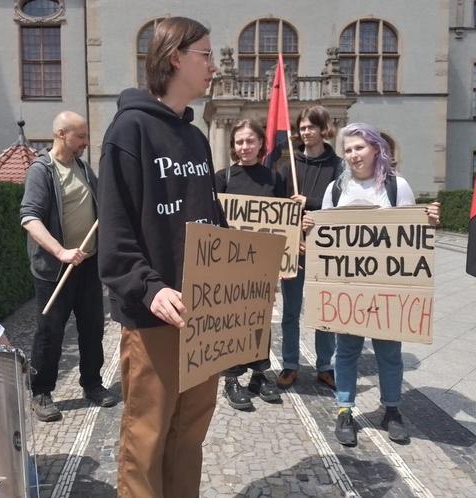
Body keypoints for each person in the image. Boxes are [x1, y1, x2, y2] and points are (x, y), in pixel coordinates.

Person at [98, 17, 225, 498]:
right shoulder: (128, 131)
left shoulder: (194, 138)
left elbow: (209, 218)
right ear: (176, 57)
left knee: (190, 435)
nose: (214, 65)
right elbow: (115, 236)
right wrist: (150, 288)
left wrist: (247, 271)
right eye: (206, 54)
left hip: (204, 315)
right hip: (155, 318)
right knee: (146, 440)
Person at [304, 122, 441, 446]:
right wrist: (311, 225)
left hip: (386, 288)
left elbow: (412, 236)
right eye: (348, 150)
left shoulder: (397, 186)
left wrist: (429, 220)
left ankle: (391, 409)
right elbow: (325, 236)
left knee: (389, 353)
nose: (353, 155)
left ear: (376, 148)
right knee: (347, 352)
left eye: (359, 148)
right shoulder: (336, 189)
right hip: (347, 288)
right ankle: (345, 410)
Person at [20, 111, 117, 423]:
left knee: (92, 328)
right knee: (50, 331)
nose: (85, 143)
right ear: (61, 134)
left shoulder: (83, 168)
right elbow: (30, 219)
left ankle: (92, 383)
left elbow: (104, 200)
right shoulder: (42, 171)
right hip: (54, 269)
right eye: (80, 136)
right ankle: (41, 391)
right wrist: (61, 251)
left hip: (86, 264)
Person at [215, 119, 284, 410]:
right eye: (240, 142)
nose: (245, 147)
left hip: (262, 264)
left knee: (259, 319)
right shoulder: (223, 178)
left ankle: (259, 372)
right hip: (229, 264)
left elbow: (284, 223)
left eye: (250, 141)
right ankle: (231, 377)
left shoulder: (274, 179)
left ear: (260, 144)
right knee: (231, 319)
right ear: (233, 146)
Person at [277, 106, 341, 391]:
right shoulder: (286, 163)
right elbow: (276, 206)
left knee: (324, 310)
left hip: (325, 248)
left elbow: (340, 204)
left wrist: (310, 201)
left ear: (323, 128)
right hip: (295, 248)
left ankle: (325, 365)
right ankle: (290, 364)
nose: (306, 131)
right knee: (291, 310)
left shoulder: (338, 166)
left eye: (311, 127)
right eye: (302, 127)